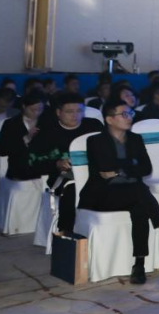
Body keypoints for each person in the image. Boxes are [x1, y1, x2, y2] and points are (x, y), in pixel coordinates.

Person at [79, 101, 159, 284]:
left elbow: (146, 168)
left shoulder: (135, 139)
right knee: (140, 192)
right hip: (103, 195)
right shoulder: (95, 141)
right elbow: (104, 166)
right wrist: (130, 165)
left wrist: (118, 171)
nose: (129, 118)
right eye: (124, 114)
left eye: (130, 113)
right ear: (109, 119)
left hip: (132, 193)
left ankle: (139, 263)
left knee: (140, 207)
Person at [27, 93, 104, 236]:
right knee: (72, 191)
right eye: (69, 111)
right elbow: (33, 162)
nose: (75, 115)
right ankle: (67, 235)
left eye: (79, 111)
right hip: (63, 177)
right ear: (58, 112)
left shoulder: (94, 126)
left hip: (96, 173)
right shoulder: (47, 131)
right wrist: (56, 164)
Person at [0, 92, 45, 180]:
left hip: (43, 175)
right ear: (24, 106)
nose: (36, 113)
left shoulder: (47, 123)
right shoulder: (10, 124)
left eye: (40, 109)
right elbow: (2, 150)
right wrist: (26, 139)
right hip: (18, 174)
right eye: (32, 110)